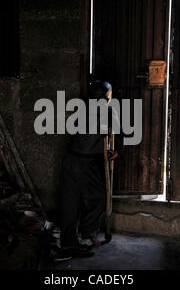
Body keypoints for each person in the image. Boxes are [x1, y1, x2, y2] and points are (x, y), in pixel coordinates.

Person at [55, 80, 119, 262]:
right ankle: (87, 231)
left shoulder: (82, 108)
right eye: (110, 94)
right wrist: (109, 152)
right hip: (84, 162)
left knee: (70, 203)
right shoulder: (105, 112)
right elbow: (99, 138)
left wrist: (105, 150)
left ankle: (69, 244)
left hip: (70, 160)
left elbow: (90, 137)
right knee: (99, 196)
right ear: (106, 96)